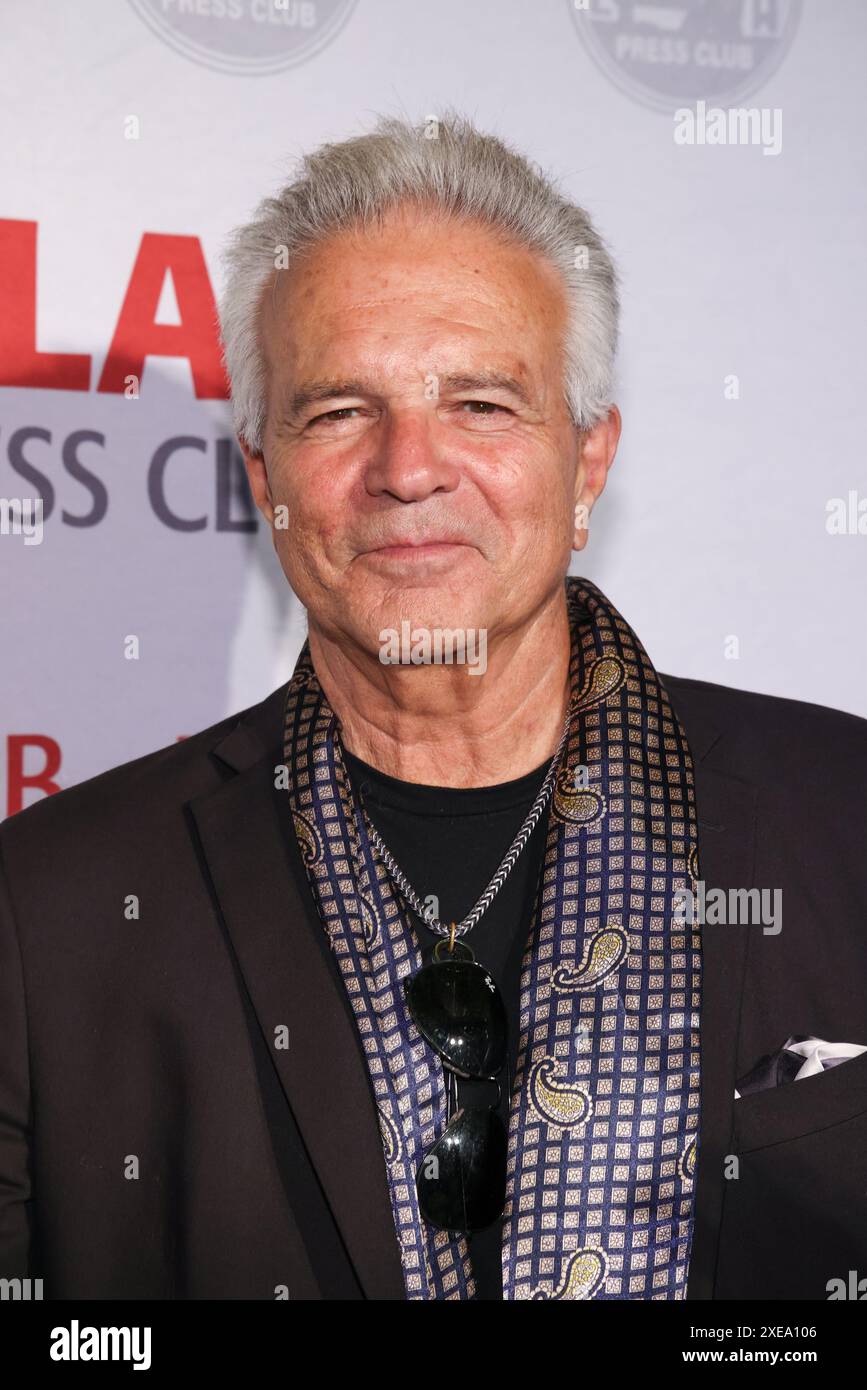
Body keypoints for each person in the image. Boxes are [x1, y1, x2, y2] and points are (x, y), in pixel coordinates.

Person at [2, 111, 866, 1301]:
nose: (409, 467)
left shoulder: (845, 818)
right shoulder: (49, 912)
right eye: (339, 410)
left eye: (482, 404)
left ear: (590, 461)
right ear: (263, 474)